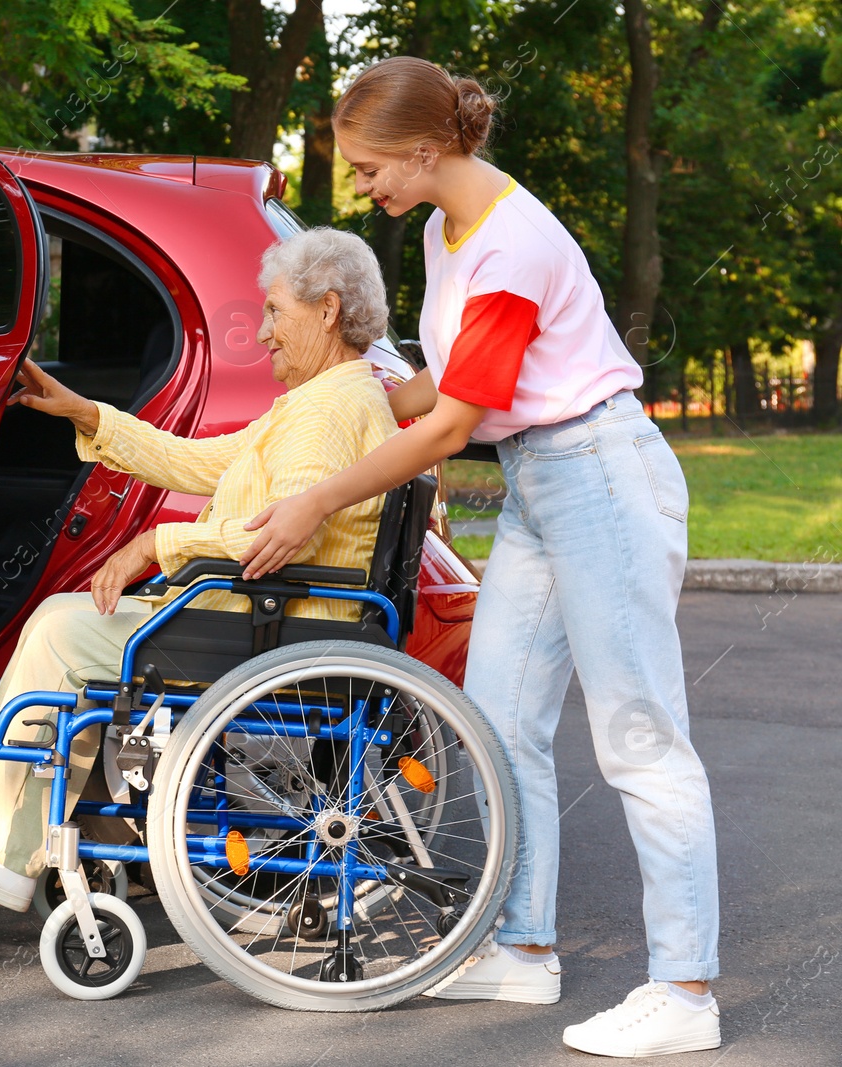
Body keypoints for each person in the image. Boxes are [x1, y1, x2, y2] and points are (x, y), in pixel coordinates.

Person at [238, 57, 719, 1057]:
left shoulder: (511, 249)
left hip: (600, 476)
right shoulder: (439, 228)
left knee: (639, 736)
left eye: (374, 166)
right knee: (498, 721)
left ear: (426, 149)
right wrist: (323, 409)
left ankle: (683, 987)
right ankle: (522, 945)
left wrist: (320, 494)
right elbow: (436, 388)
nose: (365, 185)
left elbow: (451, 424)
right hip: (541, 486)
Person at [0, 227, 399, 912]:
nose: (263, 332)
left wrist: (155, 545)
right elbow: (199, 461)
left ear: (326, 311)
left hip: (271, 626)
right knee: (69, 620)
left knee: (65, 631)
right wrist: (88, 414)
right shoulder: (324, 401)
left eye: (274, 311)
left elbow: (282, 533)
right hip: (265, 616)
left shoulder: (330, 412)